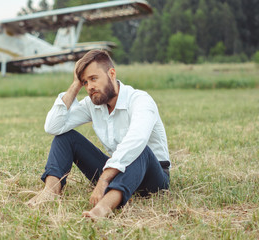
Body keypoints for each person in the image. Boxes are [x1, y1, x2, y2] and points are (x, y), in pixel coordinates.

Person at [27, 50, 170, 220]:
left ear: (111, 74)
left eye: (93, 79)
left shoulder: (140, 100)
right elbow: (54, 126)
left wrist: (103, 181)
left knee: (141, 149)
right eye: (85, 82)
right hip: (117, 171)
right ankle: (50, 193)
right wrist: (75, 85)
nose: (89, 87)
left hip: (152, 176)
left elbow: (136, 140)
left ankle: (103, 208)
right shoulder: (93, 104)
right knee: (65, 137)